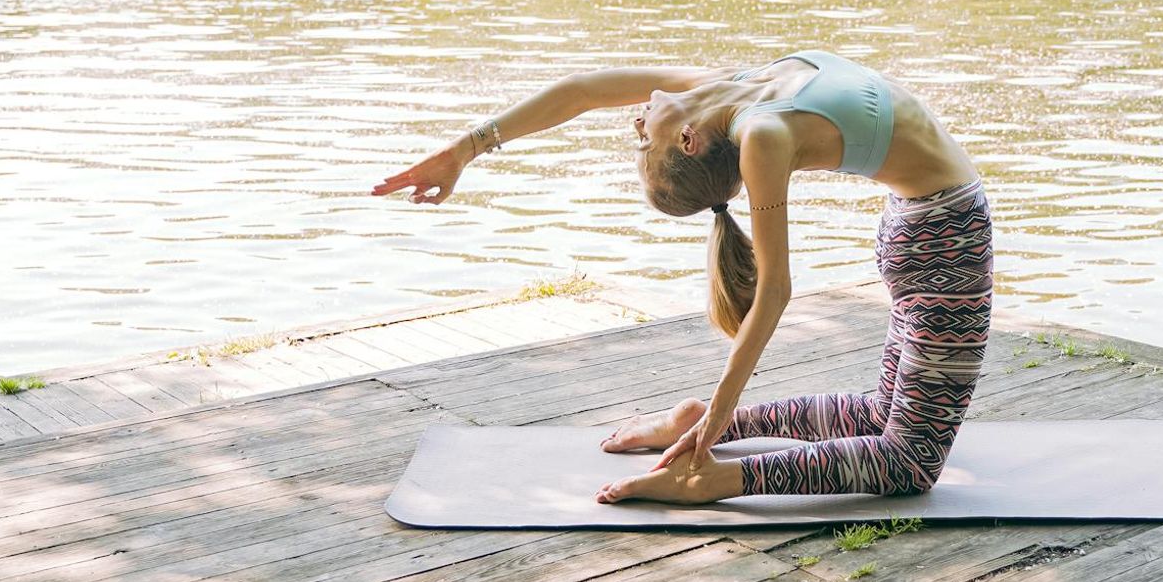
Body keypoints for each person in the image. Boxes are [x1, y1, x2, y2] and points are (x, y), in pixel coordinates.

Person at [372, 51, 992, 505]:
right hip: (947, 235)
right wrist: (718, 418)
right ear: (691, 141)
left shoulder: (729, 88)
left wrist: (465, 149)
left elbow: (583, 90)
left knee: (884, 414)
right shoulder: (759, 131)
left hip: (923, 230)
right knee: (909, 463)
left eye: (639, 140)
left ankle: (699, 421)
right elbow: (774, 289)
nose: (636, 126)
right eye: (646, 141)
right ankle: (717, 476)